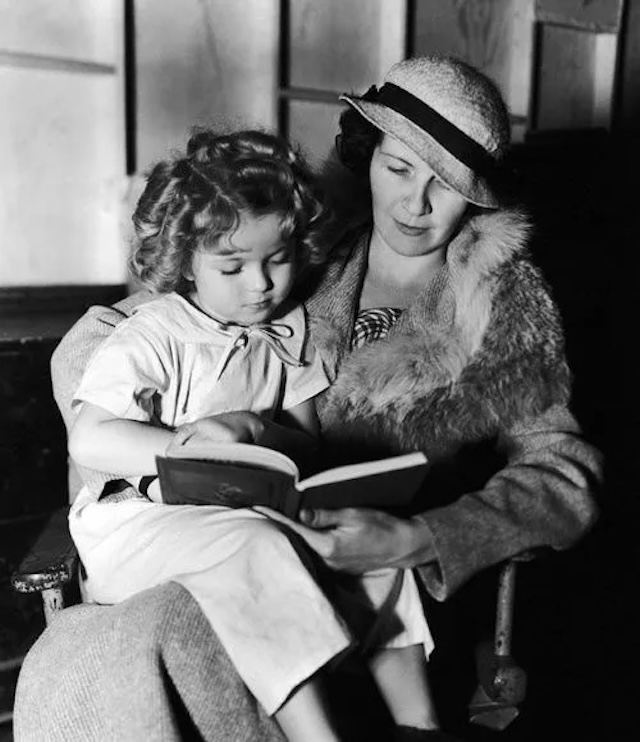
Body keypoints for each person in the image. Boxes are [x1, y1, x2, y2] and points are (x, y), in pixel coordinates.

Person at [15, 56, 600, 742]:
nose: (415, 205)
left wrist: (421, 538)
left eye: (445, 185)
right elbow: (130, 326)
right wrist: (152, 438)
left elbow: (565, 479)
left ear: (476, 200)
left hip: (380, 583)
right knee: (123, 641)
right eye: (399, 168)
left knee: (179, 626)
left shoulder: (504, 314)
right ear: (366, 154)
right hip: (229, 529)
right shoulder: (305, 250)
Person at [65, 127, 447, 742]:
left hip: (245, 510)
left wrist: (260, 435)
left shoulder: (287, 330)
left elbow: (305, 444)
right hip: (136, 525)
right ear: (186, 258)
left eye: (278, 258)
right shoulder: (156, 333)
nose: (260, 284)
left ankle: (419, 725)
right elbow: (90, 439)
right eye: (232, 265)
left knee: (367, 550)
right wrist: (189, 441)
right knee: (255, 545)